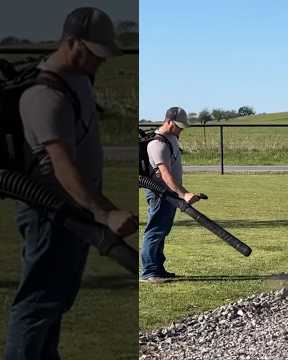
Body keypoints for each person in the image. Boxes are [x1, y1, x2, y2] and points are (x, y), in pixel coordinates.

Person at [5, 7, 138, 360]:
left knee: (55, 301)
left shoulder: (78, 78)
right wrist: (104, 213)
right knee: (37, 304)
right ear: (71, 42)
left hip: (73, 212)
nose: (100, 62)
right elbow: (61, 167)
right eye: (94, 53)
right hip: (52, 213)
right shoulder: (44, 96)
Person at [141, 107, 203, 283]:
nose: (180, 130)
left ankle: (158, 269)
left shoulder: (171, 138)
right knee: (155, 230)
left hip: (170, 193)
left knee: (161, 230)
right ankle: (149, 272)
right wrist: (184, 194)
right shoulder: (157, 144)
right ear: (168, 121)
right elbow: (165, 174)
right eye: (178, 126)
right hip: (160, 194)